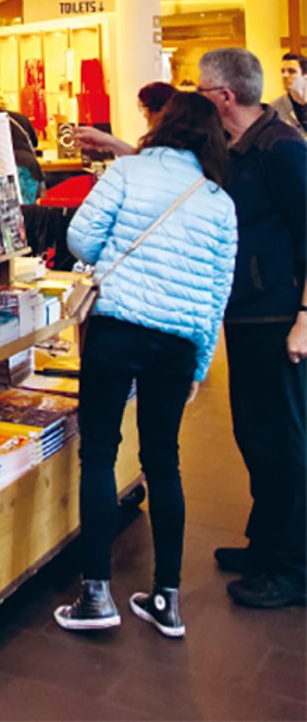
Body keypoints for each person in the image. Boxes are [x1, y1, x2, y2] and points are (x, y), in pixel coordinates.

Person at [54, 93, 237, 638]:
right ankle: (168, 599)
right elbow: (216, 294)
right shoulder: (218, 200)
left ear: (162, 125)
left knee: (100, 453)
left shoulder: (127, 172)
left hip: (116, 328)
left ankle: (95, 595)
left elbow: (80, 237)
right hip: (178, 342)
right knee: (164, 461)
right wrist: (200, 365)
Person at [197, 47, 307, 609]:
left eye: (201, 89)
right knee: (255, 435)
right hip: (245, 313)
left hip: (279, 318)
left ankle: (294, 568)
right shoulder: (239, 148)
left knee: (286, 442)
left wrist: (304, 319)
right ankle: (265, 544)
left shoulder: (282, 150)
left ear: (224, 95)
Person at [272, 51, 307, 138]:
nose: (285, 75)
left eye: (291, 71)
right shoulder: (274, 109)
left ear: (305, 75)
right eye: (283, 71)